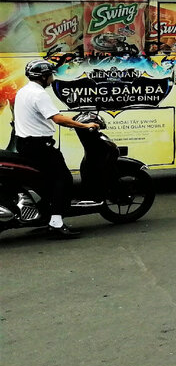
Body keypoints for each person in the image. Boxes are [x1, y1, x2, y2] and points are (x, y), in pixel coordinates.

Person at [13, 59, 101, 238]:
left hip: (24, 143)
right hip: (39, 146)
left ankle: (47, 214)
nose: (52, 78)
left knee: (47, 181)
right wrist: (84, 126)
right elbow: (58, 118)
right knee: (64, 179)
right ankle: (56, 223)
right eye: (51, 75)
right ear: (44, 77)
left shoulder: (23, 91)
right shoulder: (39, 95)